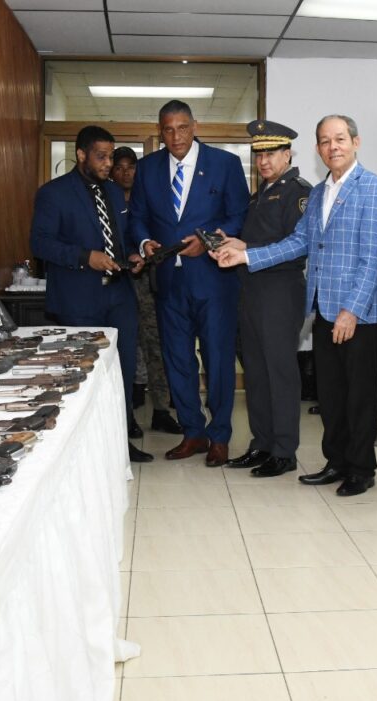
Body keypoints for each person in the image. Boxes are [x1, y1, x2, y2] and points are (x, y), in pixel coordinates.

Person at [212, 115, 377, 496]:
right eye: (325, 141)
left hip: (356, 312)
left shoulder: (375, 188)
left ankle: (361, 469)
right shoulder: (319, 192)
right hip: (323, 307)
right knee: (330, 394)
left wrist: (351, 310)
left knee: (359, 395)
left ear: (356, 142)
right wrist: (246, 255)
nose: (333, 147)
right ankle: (336, 461)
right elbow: (299, 242)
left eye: (340, 139)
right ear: (317, 149)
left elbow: (374, 258)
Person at [128, 100, 250, 467]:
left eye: (182, 128)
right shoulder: (148, 168)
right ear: (160, 131)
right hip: (169, 280)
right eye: (168, 129)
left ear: (195, 127)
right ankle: (193, 432)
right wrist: (144, 243)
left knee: (217, 359)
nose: (176, 136)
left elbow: (239, 216)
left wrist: (208, 242)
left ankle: (220, 436)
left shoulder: (225, 164)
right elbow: (137, 217)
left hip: (214, 280)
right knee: (177, 359)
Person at [30, 125, 153, 463]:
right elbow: (40, 243)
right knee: (85, 376)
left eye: (111, 156)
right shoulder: (53, 193)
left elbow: (122, 237)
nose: (108, 163)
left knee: (122, 370)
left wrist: (132, 255)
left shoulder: (113, 192)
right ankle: (84, 451)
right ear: (81, 154)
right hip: (78, 300)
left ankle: (121, 443)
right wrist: (86, 257)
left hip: (120, 296)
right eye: (101, 156)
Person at [225, 119, 312, 478]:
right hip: (251, 290)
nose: (263, 161)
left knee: (279, 373)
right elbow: (258, 240)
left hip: (280, 290)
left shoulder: (298, 193)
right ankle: (261, 443)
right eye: (258, 154)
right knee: (256, 373)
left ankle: (284, 450)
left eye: (271, 153)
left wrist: (247, 250)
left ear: (287, 154)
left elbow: (298, 246)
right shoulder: (259, 193)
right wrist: (234, 243)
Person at [111, 146, 182, 437]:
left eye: (131, 167)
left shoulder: (146, 197)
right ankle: (124, 413)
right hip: (118, 282)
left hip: (149, 281)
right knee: (123, 348)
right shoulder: (107, 199)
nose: (126, 173)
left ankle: (161, 410)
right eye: (119, 167)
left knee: (156, 345)